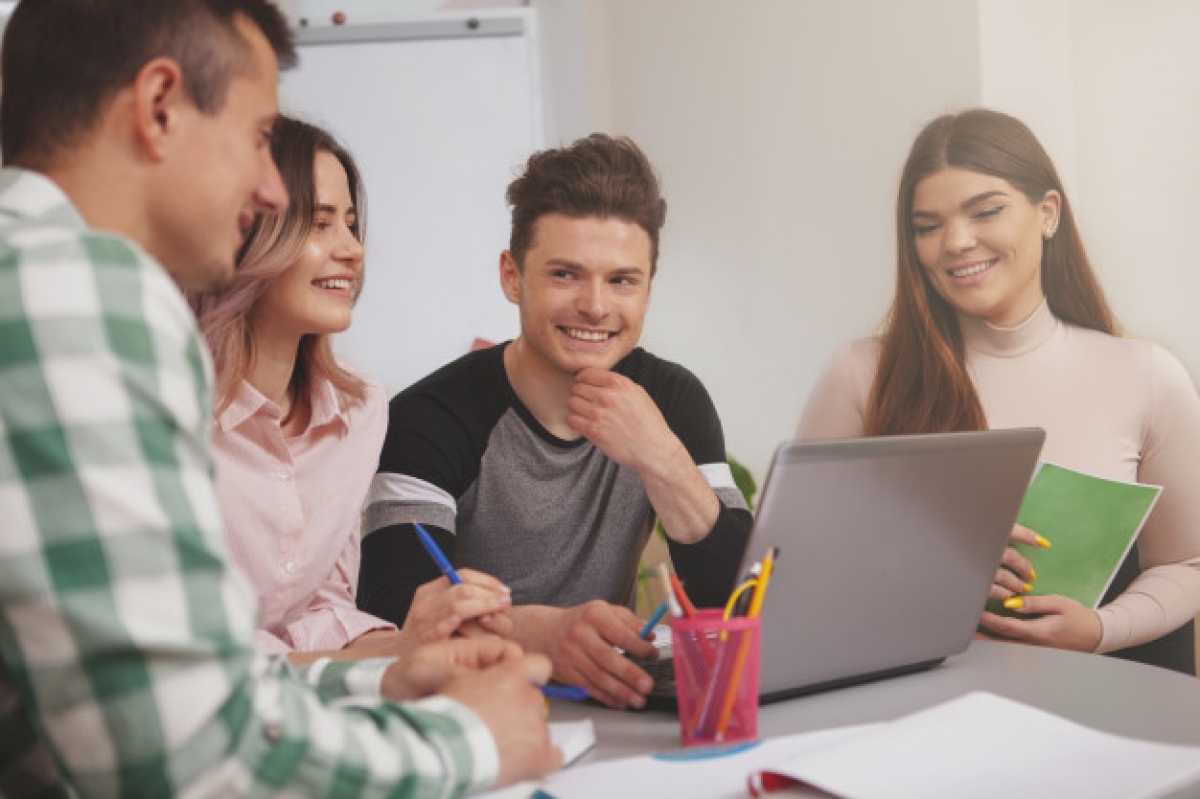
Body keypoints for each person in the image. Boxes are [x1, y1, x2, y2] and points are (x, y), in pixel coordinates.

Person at [0, 1, 559, 796]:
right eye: (259, 136)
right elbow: (183, 751)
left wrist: (378, 680)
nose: (269, 190)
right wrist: (465, 742)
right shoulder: (81, 286)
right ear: (159, 107)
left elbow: (173, 693)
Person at [798, 108, 1200, 674]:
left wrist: (1102, 629)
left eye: (985, 211)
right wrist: (921, 565)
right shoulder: (863, 374)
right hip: (918, 711)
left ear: (1048, 214)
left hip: (1094, 710)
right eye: (927, 225)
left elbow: (1187, 564)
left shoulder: (1148, 376)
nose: (957, 242)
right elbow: (796, 566)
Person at [359, 134, 754, 709]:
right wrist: (539, 633)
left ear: (648, 289)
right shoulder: (429, 417)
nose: (595, 306)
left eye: (622, 280)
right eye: (566, 274)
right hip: (465, 709)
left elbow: (741, 603)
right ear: (512, 276)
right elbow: (392, 609)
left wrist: (662, 459)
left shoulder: (673, 400)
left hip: (609, 715)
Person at [191, 116, 512, 665]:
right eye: (319, 225)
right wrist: (392, 657)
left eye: (351, 223)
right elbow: (199, 653)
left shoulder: (360, 410)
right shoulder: (172, 414)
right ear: (245, 232)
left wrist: (430, 641)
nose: (353, 250)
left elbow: (319, 610)